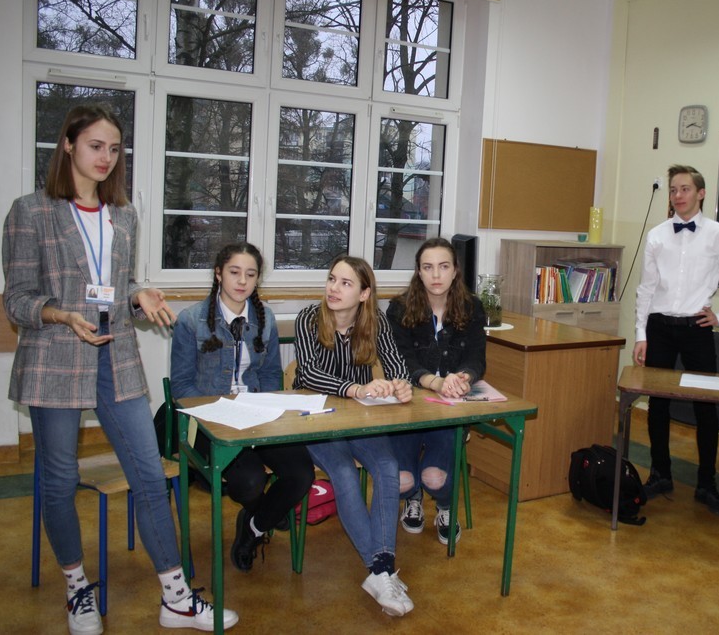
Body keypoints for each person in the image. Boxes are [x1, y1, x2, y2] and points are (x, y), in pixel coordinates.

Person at [2, 104, 237, 634]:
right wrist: (61, 314)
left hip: (117, 354)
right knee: (60, 479)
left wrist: (138, 295)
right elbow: (16, 299)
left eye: (113, 149)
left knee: (150, 476)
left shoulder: (123, 215)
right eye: (95, 146)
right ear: (68, 145)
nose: (106, 157)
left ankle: (176, 599)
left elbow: (116, 285)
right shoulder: (31, 211)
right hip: (55, 356)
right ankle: (77, 589)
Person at [170, 242, 315, 572]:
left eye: (250, 275)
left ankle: (254, 526)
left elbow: (271, 375)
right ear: (218, 274)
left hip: (256, 417)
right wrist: (218, 415)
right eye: (234, 272)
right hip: (208, 421)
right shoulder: (190, 320)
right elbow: (182, 387)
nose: (242, 281)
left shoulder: (265, 319)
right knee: (249, 481)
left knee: (301, 474)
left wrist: (264, 410)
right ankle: (267, 510)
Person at [292, 256, 415, 617]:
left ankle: (381, 570)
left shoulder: (375, 323)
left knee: (388, 466)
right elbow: (308, 373)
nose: (333, 288)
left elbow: (396, 365)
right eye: (332, 279)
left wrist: (400, 384)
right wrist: (356, 388)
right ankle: (381, 570)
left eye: (345, 283)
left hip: (359, 417)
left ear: (364, 294)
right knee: (344, 472)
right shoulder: (308, 318)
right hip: (315, 417)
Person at [632, 164, 719, 516]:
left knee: (705, 405)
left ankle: (707, 484)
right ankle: (660, 474)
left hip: (697, 328)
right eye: (673, 190)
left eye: (685, 189)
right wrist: (641, 334)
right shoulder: (657, 235)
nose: (677, 195)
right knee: (658, 404)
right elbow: (646, 288)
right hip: (659, 327)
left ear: (700, 193)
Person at [386, 237, 487, 545]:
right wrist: (435, 382)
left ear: (455, 271)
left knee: (435, 477)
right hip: (408, 405)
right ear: (418, 272)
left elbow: (476, 358)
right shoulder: (399, 308)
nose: (436, 275)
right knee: (403, 482)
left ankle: (445, 506)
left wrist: (463, 377)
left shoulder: (472, 308)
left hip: (449, 408)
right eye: (427, 267)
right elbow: (400, 361)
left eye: (443, 267)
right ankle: (412, 498)